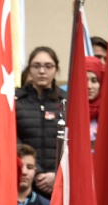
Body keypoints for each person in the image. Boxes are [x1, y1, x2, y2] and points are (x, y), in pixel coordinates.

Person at [16, 47, 64, 194]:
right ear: (29, 69)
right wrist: (35, 173)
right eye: (36, 66)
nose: (42, 71)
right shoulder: (16, 101)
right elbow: (12, 138)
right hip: (24, 180)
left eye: (48, 66)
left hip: (60, 181)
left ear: (56, 69)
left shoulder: (66, 101)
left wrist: (57, 175)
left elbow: (74, 143)